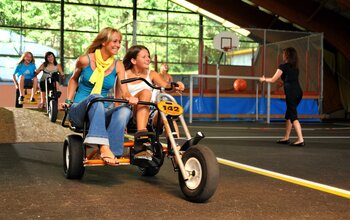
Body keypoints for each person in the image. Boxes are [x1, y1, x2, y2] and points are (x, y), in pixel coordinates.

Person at [62, 27, 137, 165]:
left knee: (125, 110)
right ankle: (103, 147)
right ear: (103, 42)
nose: (118, 45)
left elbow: (124, 91)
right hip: (80, 110)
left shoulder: (118, 65)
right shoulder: (85, 60)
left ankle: (113, 151)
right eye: (114, 41)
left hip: (101, 112)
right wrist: (68, 100)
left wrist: (129, 97)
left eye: (119, 42)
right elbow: (73, 79)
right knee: (96, 97)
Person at [122, 45, 184, 133]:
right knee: (146, 93)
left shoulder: (152, 74)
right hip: (130, 112)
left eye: (148, 56)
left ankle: (175, 145)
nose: (148, 59)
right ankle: (142, 132)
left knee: (168, 115)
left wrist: (177, 85)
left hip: (149, 110)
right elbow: (119, 97)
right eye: (144, 57)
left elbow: (166, 86)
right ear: (133, 60)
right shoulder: (123, 74)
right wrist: (121, 122)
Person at [260, 47, 304, 146]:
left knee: (293, 116)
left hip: (291, 94)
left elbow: (272, 80)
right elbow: (289, 80)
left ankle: (300, 139)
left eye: (284, 53)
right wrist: (282, 83)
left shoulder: (283, 66)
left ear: (287, 55)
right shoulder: (295, 68)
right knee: (289, 115)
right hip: (298, 92)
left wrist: (263, 79)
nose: (282, 55)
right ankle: (286, 137)